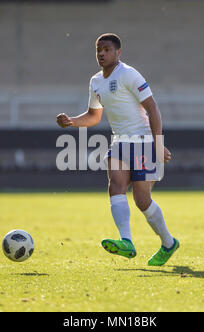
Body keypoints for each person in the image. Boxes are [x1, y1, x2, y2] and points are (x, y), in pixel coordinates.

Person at [57, 33, 179, 266]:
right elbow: (94, 116)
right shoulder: (95, 82)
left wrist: (158, 144)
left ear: (118, 52)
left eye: (107, 49)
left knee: (142, 200)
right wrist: (71, 121)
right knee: (115, 187)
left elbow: (153, 109)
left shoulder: (129, 74)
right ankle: (127, 242)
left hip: (142, 141)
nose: (101, 54)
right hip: (119, 142)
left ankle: (168, 242)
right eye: (98, 50)